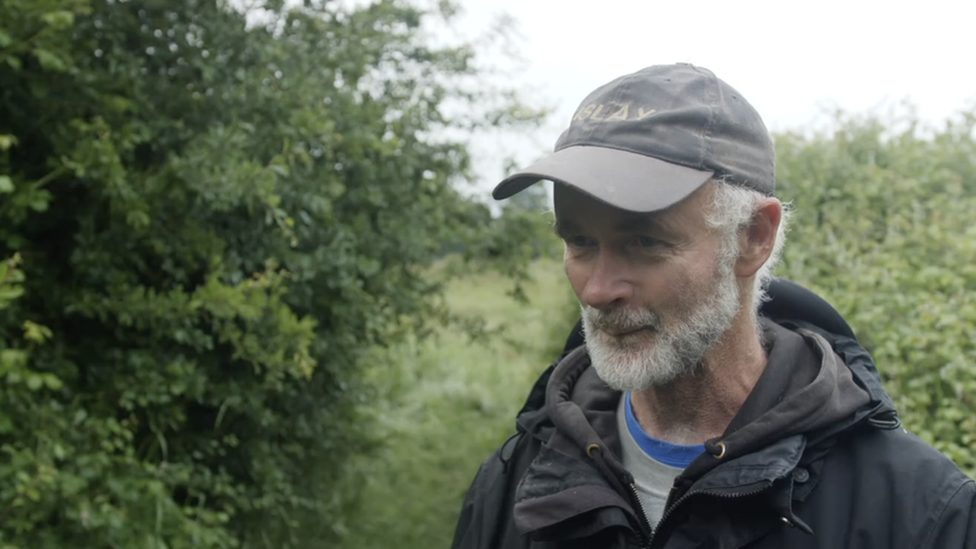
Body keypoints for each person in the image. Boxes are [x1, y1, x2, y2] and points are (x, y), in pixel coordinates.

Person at [450, 63, 976, 549]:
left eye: (643, 242)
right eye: (580, 243)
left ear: (753, 238)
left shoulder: (920, 514)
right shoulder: (519, 483)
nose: (596, 290)